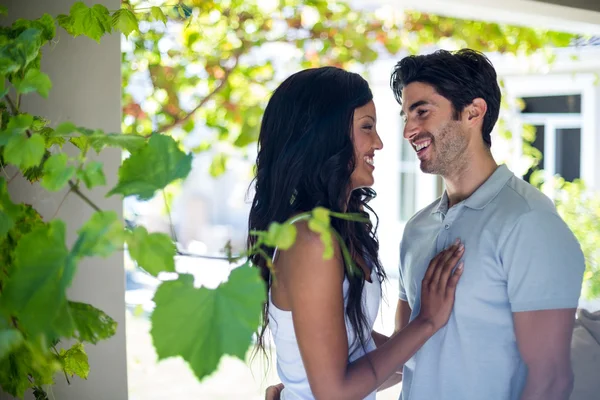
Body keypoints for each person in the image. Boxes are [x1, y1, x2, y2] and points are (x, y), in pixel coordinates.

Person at [248, 66, 465, 400]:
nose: (378, 142)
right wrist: (426, 322)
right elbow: (335, 392)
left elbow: (360, 354)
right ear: (325, 137)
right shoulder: (309, 240)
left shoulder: (336, 230)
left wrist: (428, 345)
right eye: (367, 127)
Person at [391, 49, 585, 400]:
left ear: (473, 112)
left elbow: (551, 380)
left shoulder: (529, 222)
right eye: (405, 115)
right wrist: (313, 382)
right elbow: (401, 354)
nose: (408, 130)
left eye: (421, 112)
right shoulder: (416, 229)